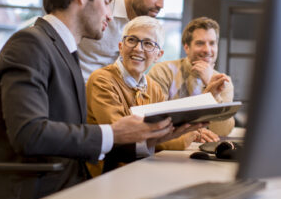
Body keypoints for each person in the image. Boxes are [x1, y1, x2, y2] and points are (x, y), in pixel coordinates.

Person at [0, 0, 184, 199]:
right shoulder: (29, 45)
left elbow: (72, 136)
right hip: (37, 194)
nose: (109, 14)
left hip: (67, 183)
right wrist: (113, 133)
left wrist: (154, 136)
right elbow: (30, 134)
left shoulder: (64, 52)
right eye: (105, 2)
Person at [86, 16, 223, 175]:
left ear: (158, 55)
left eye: (148, 43)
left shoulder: (153, 87)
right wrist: (185, 134)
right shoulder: (102, 80)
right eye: (132, 40)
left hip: (144, 168)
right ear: (121, 46)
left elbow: (165, 128)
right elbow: (125, 138)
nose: (138, 48)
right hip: (109, 174)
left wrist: (186, 130)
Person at [78, 0, 173, 81]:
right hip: (77, 90)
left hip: (112, 93)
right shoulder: (98, 8)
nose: (161, 5)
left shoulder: (146, 25)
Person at [148, 16, 235, 136]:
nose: (207, 50)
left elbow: (222, 132)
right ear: (186, 47)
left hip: (205, 149)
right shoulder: (163, 71)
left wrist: (212, 89)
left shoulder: (224, 82)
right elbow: (155, 119)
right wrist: (193, 133)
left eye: (212, 43)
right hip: (168, 149)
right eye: (200, 43)